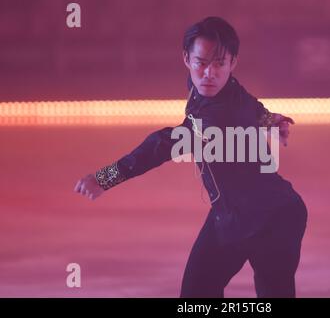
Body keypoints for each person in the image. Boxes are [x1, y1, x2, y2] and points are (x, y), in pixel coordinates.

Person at [74, 16, 308, 298]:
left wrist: (104, 178)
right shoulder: (221, 87)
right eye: (201, 62)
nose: (208, 73)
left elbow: (158, 147)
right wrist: (270, 119)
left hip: (276, 219)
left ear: (233, 63)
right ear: (186, 58)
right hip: (234, 214)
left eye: (219, 64)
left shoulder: (216, 119)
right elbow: (250, 102)